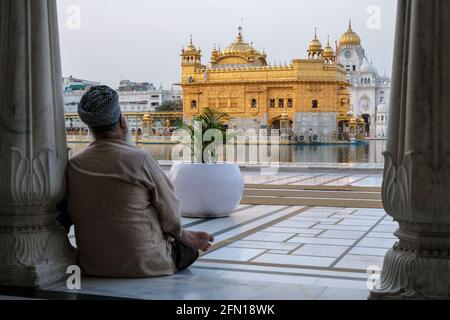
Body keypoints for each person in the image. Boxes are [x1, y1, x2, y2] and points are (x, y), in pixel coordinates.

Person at [65, 86, 213, 278]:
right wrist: (185, 237)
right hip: (147, 264)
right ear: (121, 122)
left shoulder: (75, 164)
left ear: (90, 127)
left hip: (93, 265)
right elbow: (170, 211)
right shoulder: (140, 159)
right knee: (189, 251)